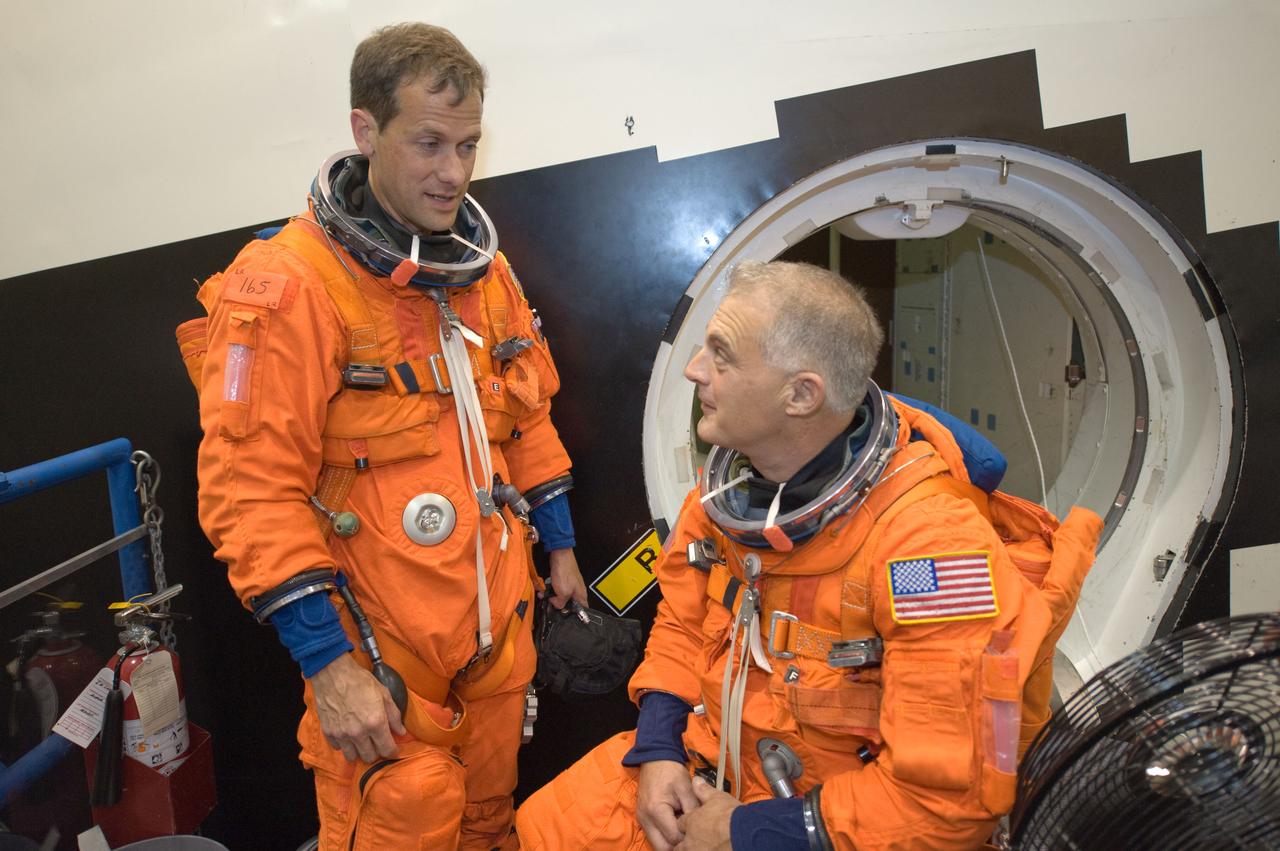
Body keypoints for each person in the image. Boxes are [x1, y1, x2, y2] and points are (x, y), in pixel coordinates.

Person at [514, 260, 1102, 850]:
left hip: (831, 822)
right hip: (713, 768)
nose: (695, 370)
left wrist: (745, 831)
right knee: (546, 829)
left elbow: (946, 804)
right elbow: (684, 626)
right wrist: (659, 750)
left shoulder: (932, 550)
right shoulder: (729, 497)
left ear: (800, 395)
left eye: (721, 355)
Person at [186, 22, 586, 850]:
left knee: (488, 823)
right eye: (430, 143)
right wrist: (327, 666)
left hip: (494, 634)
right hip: (380, 653)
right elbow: (248, 489)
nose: (454, 173)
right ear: (366, 131)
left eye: (469, 145)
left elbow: (527, 405)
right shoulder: (290, 286)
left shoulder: (483, 272)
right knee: (402, 819)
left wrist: (561, 545)